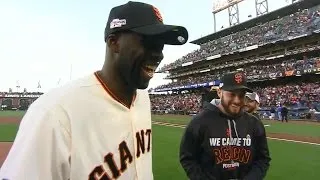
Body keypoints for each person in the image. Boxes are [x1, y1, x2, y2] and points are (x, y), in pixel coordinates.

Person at [0, 1, 188, 180]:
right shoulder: (54, 113)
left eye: (161, 45)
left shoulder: (143, 98)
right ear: (114, 42)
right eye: (148, 43)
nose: (159, 54)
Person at [179, 72, 271, 180]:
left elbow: (262, 159)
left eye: (241, 95)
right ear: (219, 92)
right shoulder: (199, 122)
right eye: (231, 94)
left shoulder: (254, 123)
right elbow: (188, 158)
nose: (237, 100)